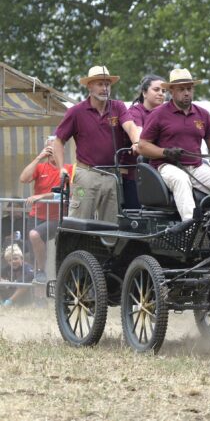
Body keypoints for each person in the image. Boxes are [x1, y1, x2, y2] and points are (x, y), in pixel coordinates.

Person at [138, 68, 210, 226]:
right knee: (181, 180)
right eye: (181, 89)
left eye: (189, 89)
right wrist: (166, 152)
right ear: (171, 91)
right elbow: (142, 146)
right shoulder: (158, 114)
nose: (186, 93)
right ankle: (192, 228)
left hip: (196, 166)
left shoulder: (203, 114)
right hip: (165, 165)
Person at [53, 66, 139, 223]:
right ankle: (73, 248)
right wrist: (61, 168)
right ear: (89, 86)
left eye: (107, 84)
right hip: (86, 174)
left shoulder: (118, 106)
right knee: (77, 222)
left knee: (111, 226)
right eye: (100, 84)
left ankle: (106, 248)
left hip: (112, 175)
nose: (104, 88)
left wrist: (137, 142)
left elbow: (131, 126)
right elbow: (58, 140)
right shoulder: (76, 111)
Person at [19, 136, 74, 281]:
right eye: (50, 149)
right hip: (36, 215)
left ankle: (43, 272)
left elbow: (68, 192)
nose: (53, 152)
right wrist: (38, 157)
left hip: (57, 217)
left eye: (56, 148)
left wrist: (41, 196)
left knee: (35, 235)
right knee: (34, 254)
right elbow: (23, 179)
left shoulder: (68, 169)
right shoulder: (40, 167)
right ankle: (39, 296)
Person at [122, 75, 167, 209]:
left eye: (164, 91)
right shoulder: (135, 111)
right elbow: (140, 137)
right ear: (144, 93)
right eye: (156, 89)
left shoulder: (168, 113)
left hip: (161, 173)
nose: (161, 93)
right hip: (135, 176)